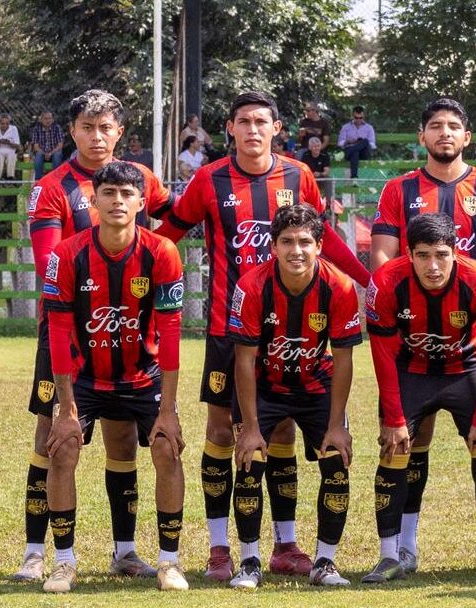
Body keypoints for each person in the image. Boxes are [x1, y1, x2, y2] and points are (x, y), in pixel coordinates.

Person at [155, 91, 370, 583]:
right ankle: (219, 549)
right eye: (243, 122)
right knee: (221, 433)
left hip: (293, 329)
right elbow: (168, 235)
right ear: (229, 129)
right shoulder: (209, 179)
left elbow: (323, 239)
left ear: (277, 128)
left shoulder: (299, 176)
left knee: (282, 430)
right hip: (227, 331)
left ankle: (285, 546)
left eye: (261, 122)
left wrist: (367, 279)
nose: (253, 130)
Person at [18, 88, 174, 584]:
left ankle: (125, 552)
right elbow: (48, 261)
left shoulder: (139, 178)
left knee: (123, 438)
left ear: (119, 132)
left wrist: (150, 266)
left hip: (130, 329)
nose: (97, 136)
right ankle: (35, 553)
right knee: (53, 435)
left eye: (106, 127)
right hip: (68, 330)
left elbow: (174, 221)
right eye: (87, 127)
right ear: (72, 131)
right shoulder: (51, 187)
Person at [370, 97, 476, 574]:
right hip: (411, 345)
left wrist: (464, 294)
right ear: (422, 136)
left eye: (454, 125)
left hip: (468, 345)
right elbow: (382, 258)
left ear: (467, 137)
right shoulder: (399, 189)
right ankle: (398, 550)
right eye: (435, 125)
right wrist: (418, 292)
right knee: (403, 445)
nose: (445, 133)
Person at [40, 161, 188, 593]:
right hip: (86, 378)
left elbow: (172, 333)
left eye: (127, 194)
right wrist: (66, 408)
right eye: (109, 193)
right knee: (62, 449)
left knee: (167, 448)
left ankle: (169, 562)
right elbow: (58, 333)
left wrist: (169, 410)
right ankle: (64, 563)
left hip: (144, 376)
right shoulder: (67, 254)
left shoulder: (162, 252)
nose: (118, 201)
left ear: (142, 202)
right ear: (95, 200)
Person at [227, 204, 362, 588]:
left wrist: (336, 425)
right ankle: (249, 562)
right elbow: (243, 360)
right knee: (250, 459)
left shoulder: (339, 286)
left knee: (336, 460)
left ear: (319, 246)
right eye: (286, 242)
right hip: (264, 385)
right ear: (273, 247)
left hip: (315, 384)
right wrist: (251, 427)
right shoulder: (252, 286)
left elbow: (344, 359)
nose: (296, 250)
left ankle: (325, 563)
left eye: (305, 242)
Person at [336, 105, 376, 179]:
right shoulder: (346, 127)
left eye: (360, 118)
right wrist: (348, 141)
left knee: (365, 141)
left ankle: (344, 154)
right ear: (352, 116)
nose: (358, 120)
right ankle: (354, 177)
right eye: (356, 118)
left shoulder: (369, 128)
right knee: (355, 152)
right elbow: (340, 143)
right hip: (350, 152)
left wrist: (361, 143)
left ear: (363, 117)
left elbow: (373, 145)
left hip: (363, 153)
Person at [30, 111, 65, 180]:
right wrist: (45, 153)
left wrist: (50, 153)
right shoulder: (36, 129)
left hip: (54, 152)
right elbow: (36, 147)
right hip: (42, 152)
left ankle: (56, 180)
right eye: (45, 119)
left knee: (57, 155)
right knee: (38, 155)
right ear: (41, 120)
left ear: (52, 119)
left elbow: (60, 145)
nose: (48, 121)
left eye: (50, 118)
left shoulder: (57, 128)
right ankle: (39, 180)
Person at [0, 112, 21, 179]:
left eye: (7, 124)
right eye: (3, 124)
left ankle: (10, 177)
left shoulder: (14, 129)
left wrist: (9, 143)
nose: (5, 125)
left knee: (11, 156)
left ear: (9, 123)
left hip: (10, 152)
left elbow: (18, 146)